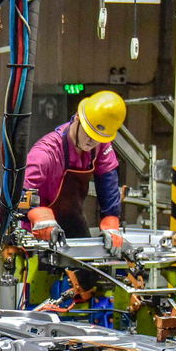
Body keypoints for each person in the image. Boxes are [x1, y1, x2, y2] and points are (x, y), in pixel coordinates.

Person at [23, 90, 127, 256]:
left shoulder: (100, 146)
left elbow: (108, 183)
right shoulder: (44, 153)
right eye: (89, 134)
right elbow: (23, 194)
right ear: (78, 118)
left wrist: (111, 220)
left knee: (88, 275)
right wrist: (39, 216)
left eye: (99, 138)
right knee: (40, 275)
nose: (92, 142)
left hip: (72, 219)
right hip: (38, 226)